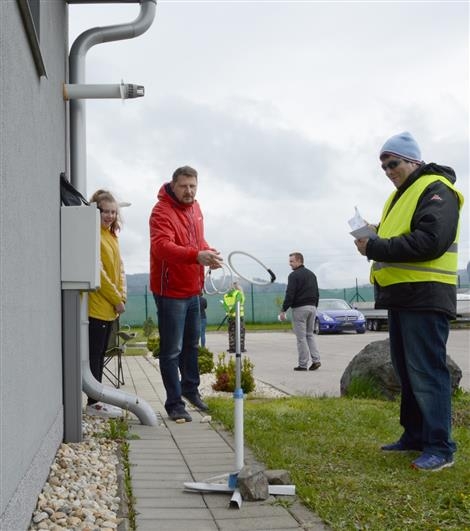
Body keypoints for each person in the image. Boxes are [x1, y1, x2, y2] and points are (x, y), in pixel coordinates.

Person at [354, 132, 464, 471]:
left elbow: (430, 241)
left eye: (393, 163)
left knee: (427, 371)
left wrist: (374, 246)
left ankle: (440, 447)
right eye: (384, 166)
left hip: (425, 295)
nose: (388, 171)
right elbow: (401, 236)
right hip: (402, 296)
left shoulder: (436, 189)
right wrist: (374, 233)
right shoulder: (399, 196)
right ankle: (415, 436)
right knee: (407, 371)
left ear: (414, 161)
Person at [150, 165, 222, 422]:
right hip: (170, 291)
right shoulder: (161, 211)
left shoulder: (195, 208)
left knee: (192, 345)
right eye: (184, 186)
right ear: (173, 185)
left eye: (193, 186)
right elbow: (161, 247)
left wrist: (208, 253)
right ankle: (174, 404)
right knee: (172, 350)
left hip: (193, 289)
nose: (189, 191)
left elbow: (197, 243)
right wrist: (196, 255)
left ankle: (191, 390)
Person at [86, 190, 127, 418]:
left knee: (101, 355)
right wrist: (116, 299)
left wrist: (122, 297)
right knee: (95, 356)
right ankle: (94, 403)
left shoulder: (111, 236)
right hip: (97, 308)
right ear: (95, 210)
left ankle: (97, 400)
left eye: (113, 212)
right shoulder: (93, 236)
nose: (110, 216)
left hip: (110, 308)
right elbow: (99, 274)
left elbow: (120, 270)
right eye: (105, 211)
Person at [279, 252, 321, 371]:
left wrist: (283, 309)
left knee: (301, 338)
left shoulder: (293, 276)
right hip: (312, 307)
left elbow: (290, 293)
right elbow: (317, 292)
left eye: (291, 261)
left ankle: (303, 364)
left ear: (299, 261)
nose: (290, 264)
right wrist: (315, 306)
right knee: (310, 335)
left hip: (300, 309)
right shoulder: (312, 274)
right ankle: (316, 360)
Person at [223, 280, 246, 352]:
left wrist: (229, 311)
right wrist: (233, 310)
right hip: (239, 317)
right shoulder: (238, 293)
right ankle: (240, 347)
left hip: (230, 317)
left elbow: (224, 306)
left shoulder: (226, 295)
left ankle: (232, 348)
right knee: (240, 332)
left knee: (231, 332)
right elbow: (237, 303)